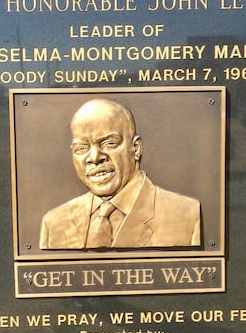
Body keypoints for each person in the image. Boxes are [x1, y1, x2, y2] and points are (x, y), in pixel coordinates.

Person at [39, 98, 201, 250]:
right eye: (81, 148)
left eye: (110, 143)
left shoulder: (186, 216)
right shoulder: (54, 223)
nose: (94, 158)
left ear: (136, 148)